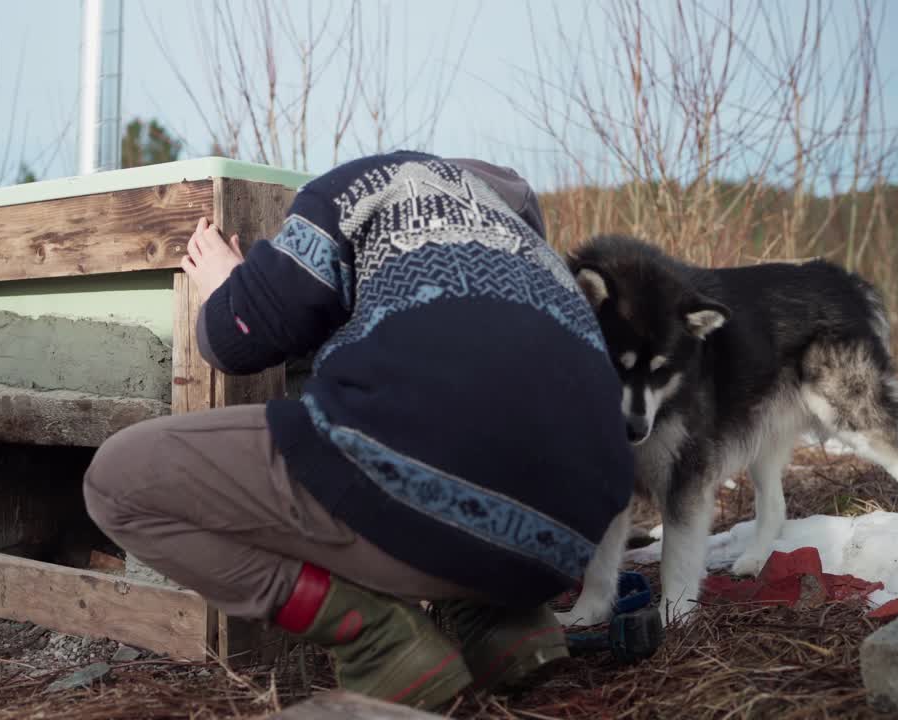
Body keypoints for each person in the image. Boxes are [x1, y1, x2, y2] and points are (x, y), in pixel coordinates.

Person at [83, 150, 634, 709]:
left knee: (117, 484)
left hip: (424, 484)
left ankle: (377, 642)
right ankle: (508, 628)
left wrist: (230, 285)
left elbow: (239, 338)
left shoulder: (364, 187)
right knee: (472, 427)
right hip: (571, 542)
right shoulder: (527, 242)